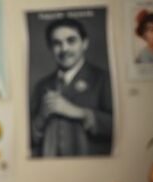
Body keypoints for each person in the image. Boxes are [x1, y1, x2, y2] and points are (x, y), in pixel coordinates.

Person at [29, 17, 113, 157]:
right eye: (57, 43)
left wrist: (79, 112)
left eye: (71, 41)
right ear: (50, 48)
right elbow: (26, 138)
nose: (64, 49)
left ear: (84, 43)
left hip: (92, 168)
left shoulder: (103, 79)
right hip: (49, 169)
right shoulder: (42, 85)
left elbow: (120, 128)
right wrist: (41, 118)